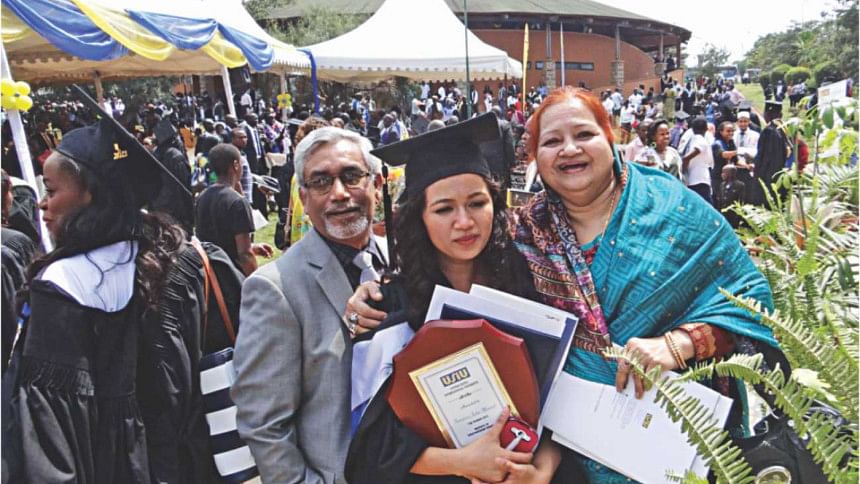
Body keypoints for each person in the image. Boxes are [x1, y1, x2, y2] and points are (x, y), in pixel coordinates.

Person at [512, 87, 779, 483]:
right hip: (569, 456)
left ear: (611, 136)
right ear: (536, 156)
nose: (569, 149)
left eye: (584, 134)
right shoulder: (525, 233)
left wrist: (678, 345)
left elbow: (752, 303)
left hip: (683, 444)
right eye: (551, 141)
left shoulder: (673, 205)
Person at [344, 113, 579, 484]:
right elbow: (372, 447)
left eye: (476, 203)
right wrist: (464, 462)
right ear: (419, 217)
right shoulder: (388, 308)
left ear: (495, 205)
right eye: (443, 209)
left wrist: (542, 471)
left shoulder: (528, 283)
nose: (465, 222)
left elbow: (562, 405)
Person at [2, 89, 186, 483]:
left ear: (91, 195)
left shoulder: (61, 288)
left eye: (52, 191)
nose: (41, 204)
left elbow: (50, 441)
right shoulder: (171, 261)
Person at [231, 127, 387, 483]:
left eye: (352, 176)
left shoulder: (403, 262)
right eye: (320, 182)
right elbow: (264, 425)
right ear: (303, 195)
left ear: (377, 184)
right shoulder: (276, 290)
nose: (339, 193)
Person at [195, 143, 272, 276]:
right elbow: (244, 254)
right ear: (236, 165)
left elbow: (216, 241)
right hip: (232, 277)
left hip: (209, 276)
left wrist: (253, 247)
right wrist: (256, 283)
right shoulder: (238, 202)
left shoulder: (202, 197)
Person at [751, 101, 789, 205]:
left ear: (768, 114)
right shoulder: (782, 129)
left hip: (767, 174)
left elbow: (763, 155)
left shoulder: (768, 131)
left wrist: (755, 164)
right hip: (779, 172)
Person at [479, 106, 516, 189]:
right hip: (500, 163)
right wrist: (512, 162)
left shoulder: (482, 125)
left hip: (484, 163)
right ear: (500, 114)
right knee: (501, 188)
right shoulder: (505, 125)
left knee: (486, 186)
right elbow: (509, 144)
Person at [682, 117, 715, 204]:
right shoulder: (701, 141)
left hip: (693, 179)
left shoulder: (693, 139)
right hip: (700, 179)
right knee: (707, 206)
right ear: (706, 129)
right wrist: (683, 173)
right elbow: (686, 158)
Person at [711, 120, 739, 207]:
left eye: (732, 131)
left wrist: (747, 166)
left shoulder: (731, 143)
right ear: (721, 132)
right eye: (728, 131)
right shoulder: (717, 144)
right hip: (718, 177)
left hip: (728, 177)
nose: (731, 133)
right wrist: (740, 151)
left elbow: (736, 160)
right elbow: (724, 154)